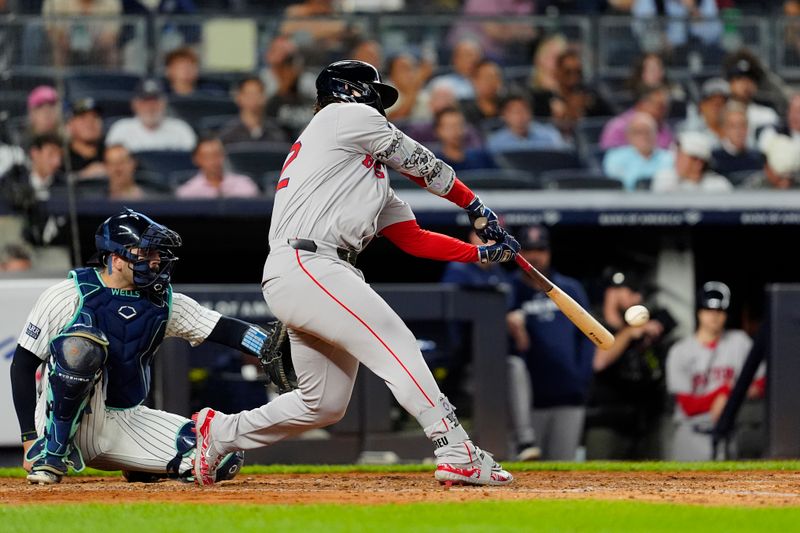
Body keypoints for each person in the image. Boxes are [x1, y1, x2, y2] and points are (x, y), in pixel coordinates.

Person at [191, 60, 520, 487]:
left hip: (313, 271)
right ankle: (456, 449)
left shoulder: (359, 171)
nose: (380, 107)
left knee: (322, 403)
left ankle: (217, 434)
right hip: (310, 262)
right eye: (375, 97)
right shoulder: (342, 116)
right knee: (396, 342)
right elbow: (419, 161)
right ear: (351, 92)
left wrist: (482, 255)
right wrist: (474, 205)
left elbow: (413, 238)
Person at [9, 209, 289, 484]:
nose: (156, 261)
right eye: (146, 253)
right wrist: (28, 440)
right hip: (67, 420)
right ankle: (51, 455)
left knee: (223, 458)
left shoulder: (162, 303)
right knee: (80, 348)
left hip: (126, 419)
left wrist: (269, 347)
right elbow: (22, 365)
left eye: (156, 254)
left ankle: (139, 465)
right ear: (116, 259)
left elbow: (223, 328)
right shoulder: (68, 295)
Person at [505, 225, 594, 461]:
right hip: (528, 402)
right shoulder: (508, 290)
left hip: (568, 395)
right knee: (523, 470)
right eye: (529, 250)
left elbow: (588, 337)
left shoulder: (570, 288)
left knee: (563, 470)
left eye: (541, 250)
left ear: (549, 252)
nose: (535, 256)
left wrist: (581, 379)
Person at [666, 281, 764, 461]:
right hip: (691, 438)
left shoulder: (739, 342)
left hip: (729, 436)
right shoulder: (680, 351)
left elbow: (763, 382)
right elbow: (688, 406)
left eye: (719, 311)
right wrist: (724, 392)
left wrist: (727, 395)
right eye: (709, 310)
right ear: (699, 312)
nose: (714, 316)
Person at [586, 269, 676, 459]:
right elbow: (599, 362)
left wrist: (649, 334)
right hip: (607, 423)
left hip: (645, 421)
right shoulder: (593, 321)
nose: (638, 297)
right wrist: (629, 334)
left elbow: (668, 320)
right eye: (631, 291)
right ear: (612, 293)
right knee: (599, 483)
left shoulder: (640, 325)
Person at [105, 78, 196, 153]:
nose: (150, 107)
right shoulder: (121, 130)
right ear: (135, 104)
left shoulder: (181, 129)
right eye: (145, 101)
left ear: (164, 104)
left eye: (155, 101)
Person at [602, 112, 673, 190]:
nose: (644, 136)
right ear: (628, 136)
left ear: (656, 134)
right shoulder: (614, 157)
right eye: (638, 132)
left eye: (648, 132)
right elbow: (618, 185)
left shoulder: (670, 158)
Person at [723, 50, 779, 147]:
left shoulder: (767, 114)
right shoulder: (720, 111)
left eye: (750, 79)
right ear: (730, 83)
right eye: (739, 79)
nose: (745, 84)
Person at [176, 136, 260, 199]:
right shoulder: (187, 193)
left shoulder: (245, 185)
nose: (214, 161)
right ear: (197, 159)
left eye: (217, 155)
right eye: (208, 156)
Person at [651, 131, 732, 192]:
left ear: (698, 163)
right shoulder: (664, 179)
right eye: (677, 154)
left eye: (681, 156)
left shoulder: (719, 185)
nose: (676, 159)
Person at [600, 85, 673, 150]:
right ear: (641, 104)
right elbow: (610, 157)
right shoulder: (618, 126)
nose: (663, 112)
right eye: (659, 107)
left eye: (665, 108)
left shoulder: (664, 128)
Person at [487, 94, 567, 153]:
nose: (521, 116)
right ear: (504, 116)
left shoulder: (550, 136)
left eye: (524, 110)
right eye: (515, 112)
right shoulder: (496, 142)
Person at [219, 77, 288, 146]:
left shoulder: (276, 132)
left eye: (259, 93)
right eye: (250, 94)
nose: (254, 98)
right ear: (238, 97)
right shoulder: (228, 132)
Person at [710, 103, 765, 181]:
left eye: (742, 125)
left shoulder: (758, 158)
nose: (739, 131)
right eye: (733, 126)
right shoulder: (715, 160)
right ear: (724, 129)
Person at [433, 107, 496, 172]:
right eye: (449, 127)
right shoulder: (433, 164)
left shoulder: (482, 157)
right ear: (438, 130)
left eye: (459, 125)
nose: (456, 131)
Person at [678, 78, 729, 145]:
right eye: (713, 103)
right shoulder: (692, 130)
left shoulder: (734, 128)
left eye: (721, 103)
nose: (717, 109)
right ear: (702, 106)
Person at [64, 97, 106, 179]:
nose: (90, 122)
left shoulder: (110, 154)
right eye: (83, 117)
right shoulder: (62, 159)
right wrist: (81, 177)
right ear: (70, 124)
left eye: (95, 117)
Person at [461, 60, 504, 128]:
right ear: (474, 81)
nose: (491, 82)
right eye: (487, 78)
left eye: (496, 77)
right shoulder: (464, 111)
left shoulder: (509, 106)